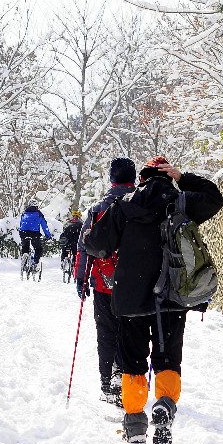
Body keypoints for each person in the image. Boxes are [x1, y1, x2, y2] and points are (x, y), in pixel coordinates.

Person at [83, 155, 223, 444]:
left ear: (142, 178)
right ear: (167, 176)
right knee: (168, 357)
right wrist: (183, 177)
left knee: (132, 360)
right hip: (171, 297)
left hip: (132, 298)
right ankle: (165, 405)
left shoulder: (125, 205)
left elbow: (96, 244)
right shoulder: (182, 200)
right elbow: (214, 198)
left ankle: (134, 421)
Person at [74, 157, 136, 407]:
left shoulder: (98, 210)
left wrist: (81, 278)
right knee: (130, 332)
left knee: (106, 333)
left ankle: (106, 383)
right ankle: (127, 377)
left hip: (104, 283)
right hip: (135, 285)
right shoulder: (141, 205)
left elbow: (84, 247)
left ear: (111, 180)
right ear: (133, 179)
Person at [18, 199, 51, 264]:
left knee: (25, 247)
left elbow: (21, 223)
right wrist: (48, 235)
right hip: (34, 234)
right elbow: (44, 226)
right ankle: (35, 262)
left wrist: (21, 232)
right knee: (38, 248)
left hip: (23, 233)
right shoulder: (39, 214)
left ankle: (24, 262)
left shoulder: (24, 213)